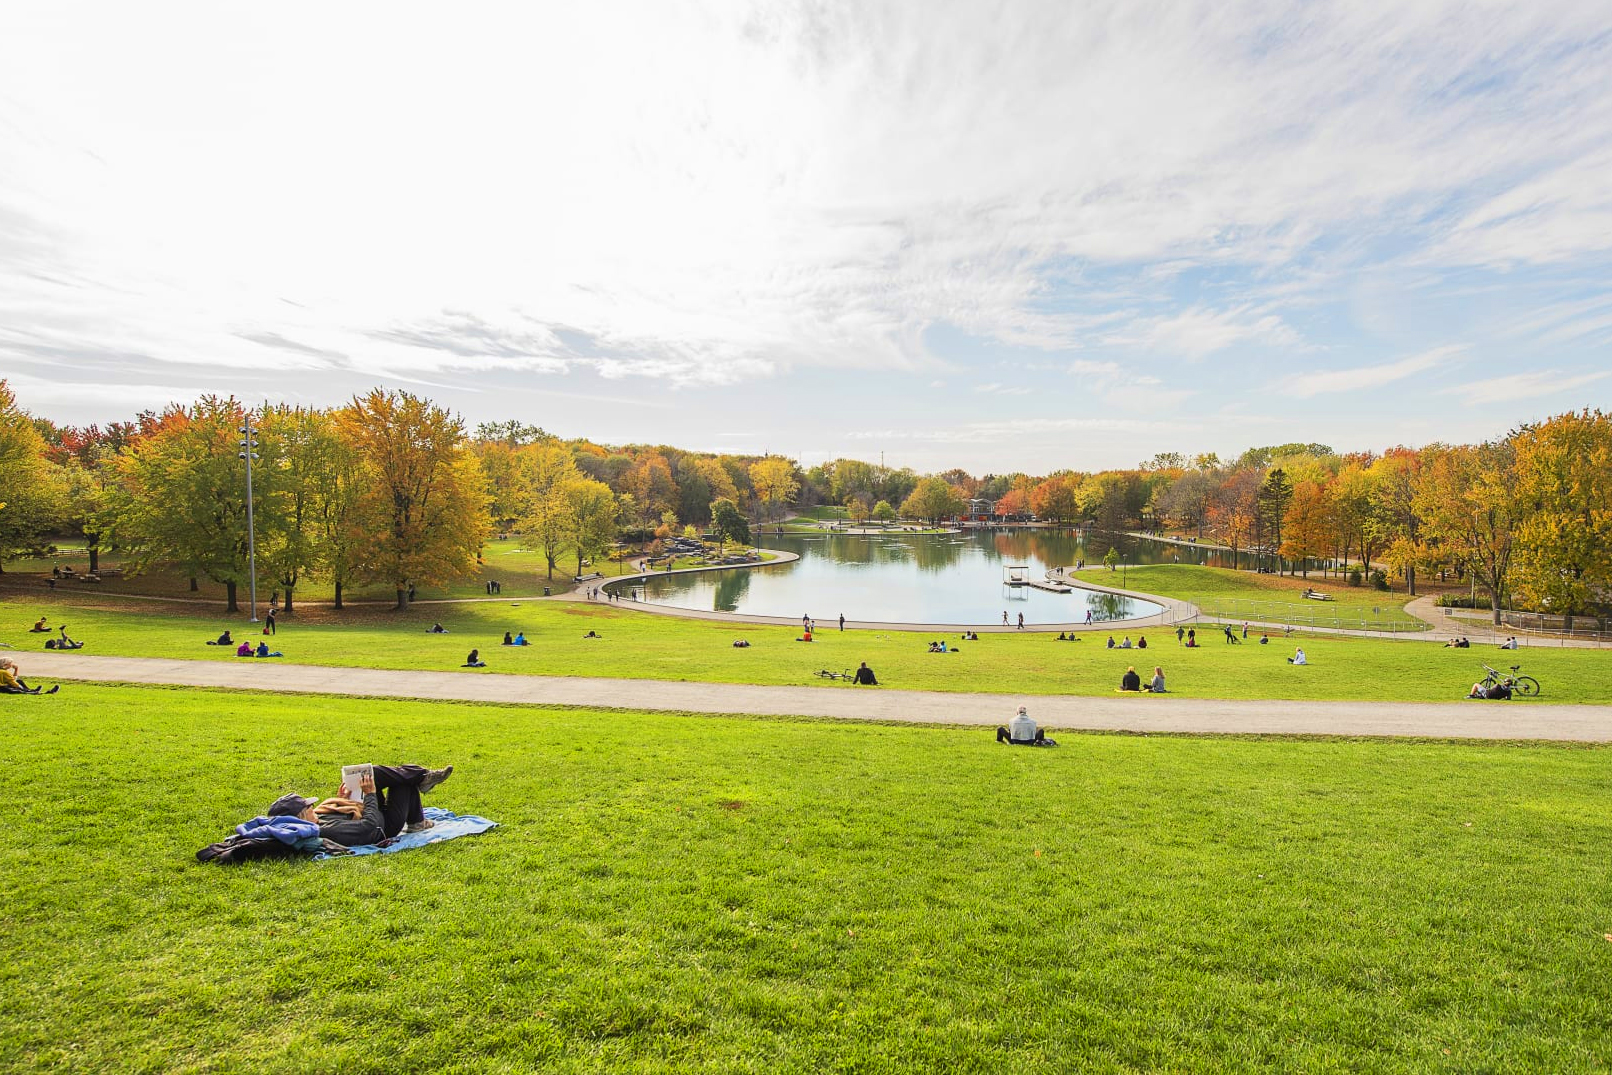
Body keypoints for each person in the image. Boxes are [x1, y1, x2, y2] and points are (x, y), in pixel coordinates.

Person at [268, 764, 454, 842]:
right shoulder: (326, 830)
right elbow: (369, 826)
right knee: (403, 784)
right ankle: (422, 781)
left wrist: (343, 799)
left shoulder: (317, 820)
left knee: (371, 772)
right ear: (300, 817)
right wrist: (371, 794)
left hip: (372, 813)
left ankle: (423, 778)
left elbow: (343, 813)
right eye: (307, 807)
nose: (312, 807)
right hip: (383, 826)